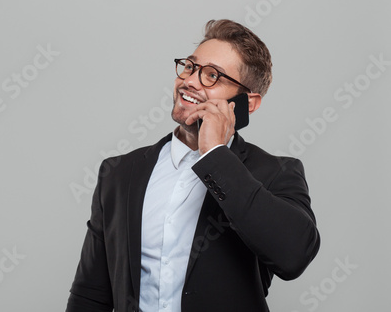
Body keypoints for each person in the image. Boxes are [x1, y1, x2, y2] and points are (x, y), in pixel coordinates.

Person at [66, 19, 320, 312]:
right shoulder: (120, 172)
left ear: (247, 103)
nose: (190, 80)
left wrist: (214, 154)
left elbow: (294, 256)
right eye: (190, 66)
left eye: (212, 75)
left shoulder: (276, 173)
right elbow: (91, 293)